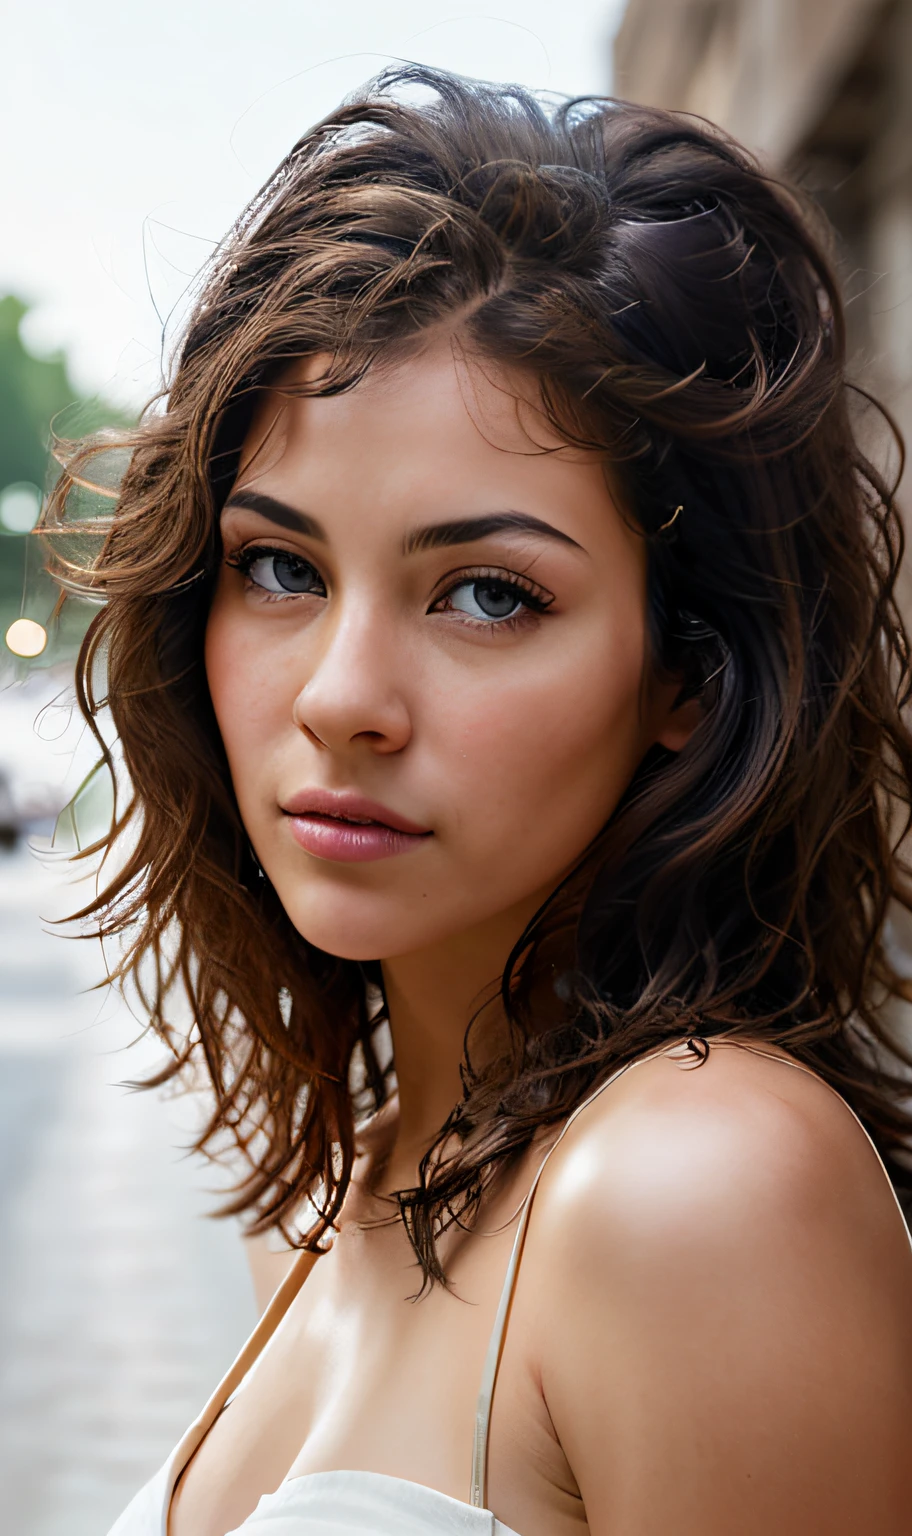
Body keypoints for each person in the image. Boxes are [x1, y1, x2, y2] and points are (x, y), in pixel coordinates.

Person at [48, 65, 912, 1536]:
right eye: (280, 566)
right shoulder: (345, 1184)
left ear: (689, 673)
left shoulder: (699, 1191)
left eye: (490, 594)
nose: (341, 695)